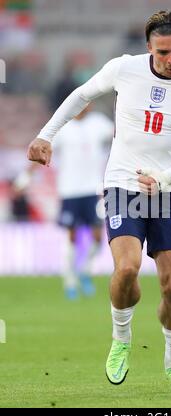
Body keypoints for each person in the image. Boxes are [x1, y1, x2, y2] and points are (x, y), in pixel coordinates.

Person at [27, 10, 171, 393]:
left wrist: (164, 177)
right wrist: (46, 135)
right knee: (127, 269)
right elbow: (81, 95)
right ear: (148, 47)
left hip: (168, 192)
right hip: (122, 184)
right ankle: (121, 340)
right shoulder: (125, 69)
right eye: (163, 51)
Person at [17, 103, 113, 299]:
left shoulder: (99, 124)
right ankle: (69, 281)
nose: (84, 107)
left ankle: (85, 271)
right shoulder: (63, 128)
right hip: (69, 190)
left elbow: (121, 135)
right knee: (72, 237)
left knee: (97, 236)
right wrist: (24, 178)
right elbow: (42, 151)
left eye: (87, 104)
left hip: (92, 190)